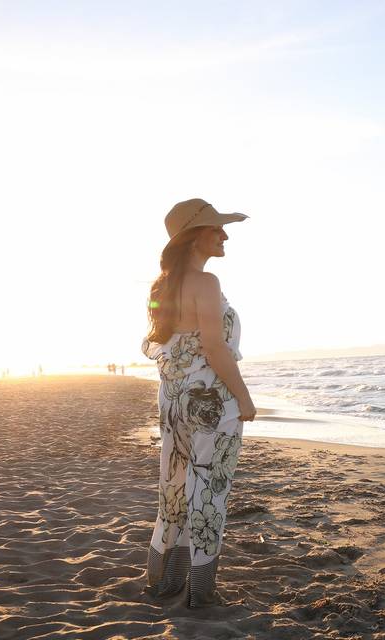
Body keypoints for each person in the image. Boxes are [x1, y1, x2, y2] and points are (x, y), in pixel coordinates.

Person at [141, 197, 257, 607]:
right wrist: (243, 396)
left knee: (174, 487)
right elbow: (214, 347)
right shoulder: (206, 284)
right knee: (209, 490)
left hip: (173, 400)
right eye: (216, 228)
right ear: (194, 239)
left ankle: (165, 579)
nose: (224, 234)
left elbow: (173, 348)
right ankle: (200, 590)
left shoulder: (162, 287)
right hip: (210, 402)